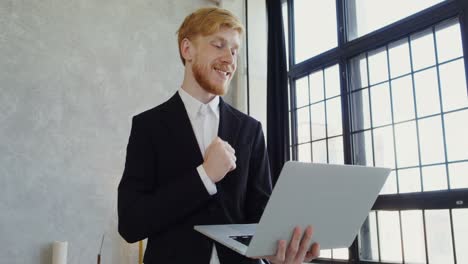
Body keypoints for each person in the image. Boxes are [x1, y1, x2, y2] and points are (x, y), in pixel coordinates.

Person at [117, 7, 320, 264]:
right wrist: (204, 176)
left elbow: (260, 217)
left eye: (234, 50)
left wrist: (279, 251)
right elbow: (130, 223)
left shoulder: (251, 129)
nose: (230, 59)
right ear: (187, 50)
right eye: (219, 45)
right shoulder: (148, 127)